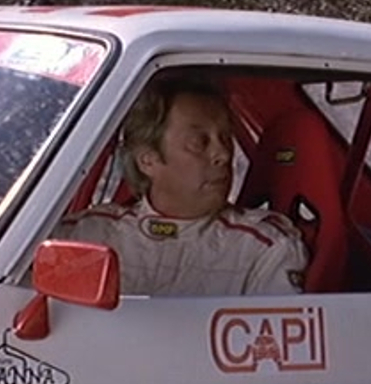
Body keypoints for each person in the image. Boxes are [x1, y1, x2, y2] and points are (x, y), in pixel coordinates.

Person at [57, 72, 309, 296]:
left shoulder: (263, 247)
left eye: (225, 138)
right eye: (200, 142)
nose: (223, 154)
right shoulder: (86, 235)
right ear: (148, 160)